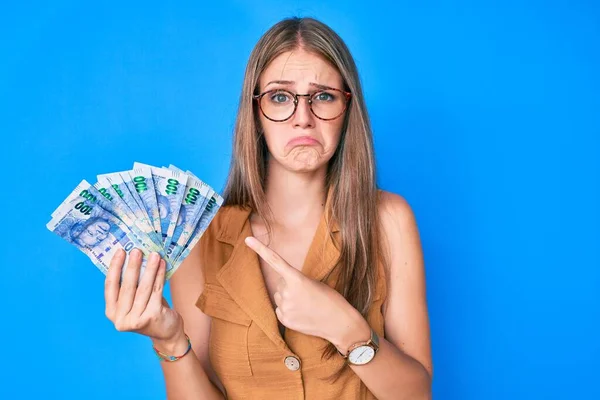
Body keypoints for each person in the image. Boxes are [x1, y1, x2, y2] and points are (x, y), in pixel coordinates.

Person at [104, 17, 433, 399]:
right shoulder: (201, 235)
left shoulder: (387, 218)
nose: (303, 117)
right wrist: (171, 341)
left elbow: (416, 394)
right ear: (256, 110)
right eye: (280, 97)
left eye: (323, 96)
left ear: (347, 108)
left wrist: (347, 329)